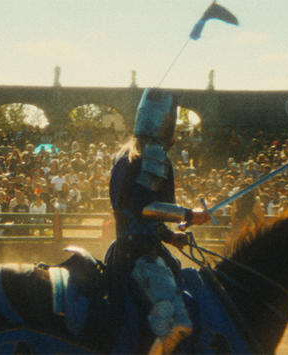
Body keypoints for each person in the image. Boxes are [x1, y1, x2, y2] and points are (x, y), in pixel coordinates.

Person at [105, 88, 210, 355]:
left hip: (127, 248)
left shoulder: (126, 152)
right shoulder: (151, 153)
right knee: (177, 324)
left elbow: (133, 208)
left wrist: (169, 236)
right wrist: (189, 215)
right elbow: (144, 207)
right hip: (142, 256)